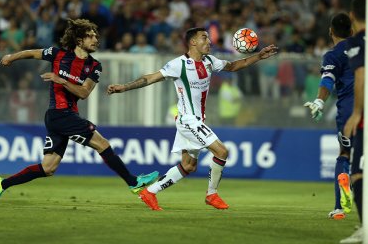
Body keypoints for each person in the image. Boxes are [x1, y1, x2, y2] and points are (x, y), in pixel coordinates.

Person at [107, 27, 278, 210]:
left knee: (188, 166)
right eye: (204, 37)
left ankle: (150, 192)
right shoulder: (178, 64)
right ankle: (212, 195)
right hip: (188, 120)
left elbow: (234, 66)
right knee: (222, 152)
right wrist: (124, 87)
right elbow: (150, 78)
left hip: (197, 121)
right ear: (193, 42)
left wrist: (259, 56)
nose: (209, 41)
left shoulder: (210, 61)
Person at [0, 18, 158, 199]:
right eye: (90, 36)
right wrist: (11, 57)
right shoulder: (57, 54)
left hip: (65, 116)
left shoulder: (95, 66)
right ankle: (133, 182)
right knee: (102, 144)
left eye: (96, 35)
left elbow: (84, 92)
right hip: (58, 114)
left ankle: (2, 184)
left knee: (48, 167)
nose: (95, 39)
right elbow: (31, 53)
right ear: (79, 40)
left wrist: (62, 81)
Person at [304, 12, 354, 220]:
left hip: (349, 111)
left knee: (345, 154)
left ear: (331, 31)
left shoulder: (333, 55)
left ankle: (340, 208)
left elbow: (327, 80)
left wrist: (319, 102)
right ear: (352, 31)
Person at [341, 0, 365, 244]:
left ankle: (365, 229)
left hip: (366, 121)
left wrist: (357, 112)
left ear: (352, 17)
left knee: (357, 174)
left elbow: (361, 74)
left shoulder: (358, 41)